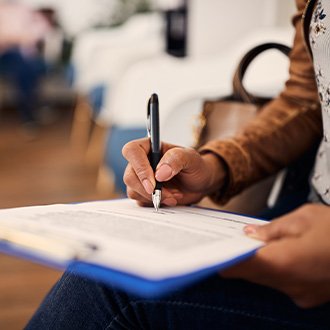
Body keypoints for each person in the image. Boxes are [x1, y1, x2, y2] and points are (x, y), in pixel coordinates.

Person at [26, 0, 330, 328]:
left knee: (110, 289)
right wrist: (216, 165)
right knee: (121, 263)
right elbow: (305, 99)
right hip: (305, 214)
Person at [0, 2, 50, 127]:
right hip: (5, 54)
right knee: (25, 66)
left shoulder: (24, 10)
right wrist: (17, 38)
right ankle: (31, 112)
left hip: (23, 56)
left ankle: (30, 113)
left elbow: (42, 27)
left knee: (28, 67)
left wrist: (20, 38)